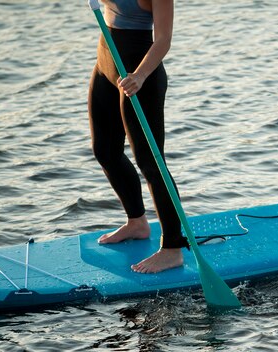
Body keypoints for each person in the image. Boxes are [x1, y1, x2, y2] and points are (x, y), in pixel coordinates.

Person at [87, 0, 188, 274]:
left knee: (150, 162)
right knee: (105, 150)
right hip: (106, 60)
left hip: (140, 71)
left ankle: (172, 250)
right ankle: (137, 223)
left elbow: (164, 40)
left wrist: (140, 76)